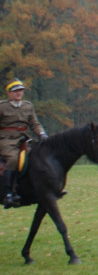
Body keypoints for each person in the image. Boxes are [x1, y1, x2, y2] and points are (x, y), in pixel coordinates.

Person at [0, 79, 48, 207]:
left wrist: (42, 134)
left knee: (39, 157)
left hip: (24, 138)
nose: (19, 93)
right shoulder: (2, 106)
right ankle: (9, 192)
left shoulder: (28, 106)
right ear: (9, 93)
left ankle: (47, 188)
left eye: (20, 91)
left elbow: (34, 123)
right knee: (13, 159)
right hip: (6, 140)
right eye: (15, 91)